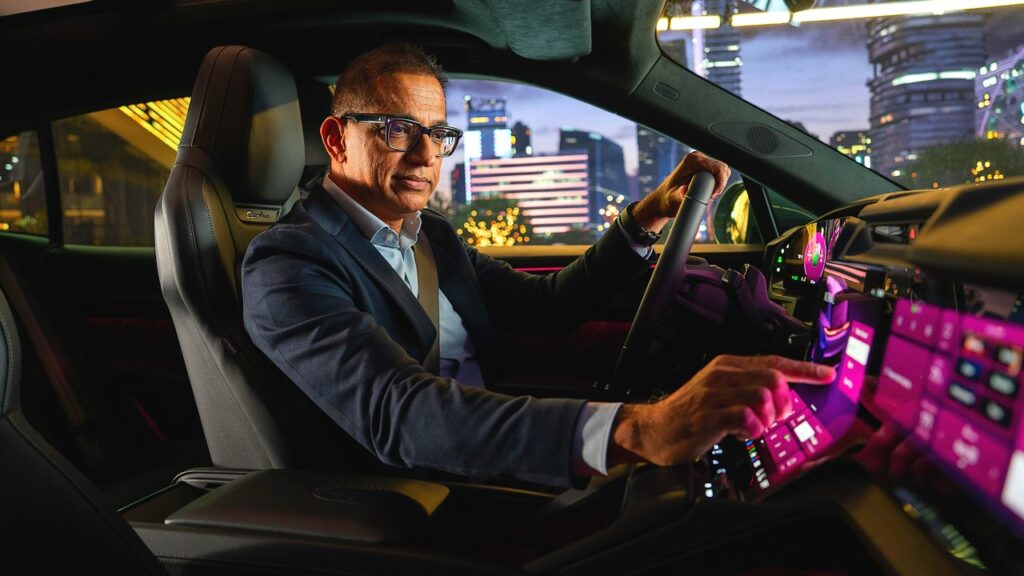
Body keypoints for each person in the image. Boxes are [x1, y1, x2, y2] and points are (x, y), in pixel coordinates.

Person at [242, 43, 835, 488]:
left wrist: (647, 215)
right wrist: (632, 429)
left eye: (438, 133)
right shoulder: (289, 261)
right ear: (336, 138)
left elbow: (548, 308)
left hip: (487, 448)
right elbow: (399, 413)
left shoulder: (432, 238)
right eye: (399, 130)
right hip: (425, 491)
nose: (426, 155)